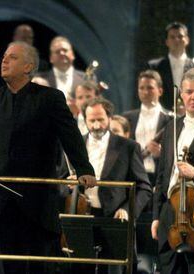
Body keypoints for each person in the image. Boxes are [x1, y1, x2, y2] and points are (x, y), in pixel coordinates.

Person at [0, 41, 96, 274]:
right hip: (1, 205)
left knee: (38, 268)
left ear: (28, 67)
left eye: (13, 57)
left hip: (39, 204)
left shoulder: (50, 98)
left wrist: (84, 168)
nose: (4, 60)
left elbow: (71, 136)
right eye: (5, 56)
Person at [151, 68, 194, 273]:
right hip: (169, 218)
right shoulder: (172, 127)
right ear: (181, 94)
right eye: (189, 92)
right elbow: (162, 176)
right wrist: (156, 216)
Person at [71, 97, 152, 273]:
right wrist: (67, 184)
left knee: (115, 269)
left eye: (100, 119)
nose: (96, 125)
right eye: (91, 120)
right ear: (85, 120)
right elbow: (62, 180)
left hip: (115, 219)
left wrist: (128, 210)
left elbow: (144, 188)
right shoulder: (75, 144)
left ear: (109, 118)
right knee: (80, 268)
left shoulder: (128, 146)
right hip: (82, 216)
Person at [123, 70, 171, 186]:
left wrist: (161, 153)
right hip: (132, 175)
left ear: (160, 91)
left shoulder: (171, 119)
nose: (145, 92)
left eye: (150, 88)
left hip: (160, 176)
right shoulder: (127, 117)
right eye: (141, 88)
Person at [147, 22, 194, 110]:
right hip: (161, 119)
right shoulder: (155, 67)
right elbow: (148, 94)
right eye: (172, 37)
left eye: (180, 36)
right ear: (167, 42)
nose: (176, 40)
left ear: (187, 40)